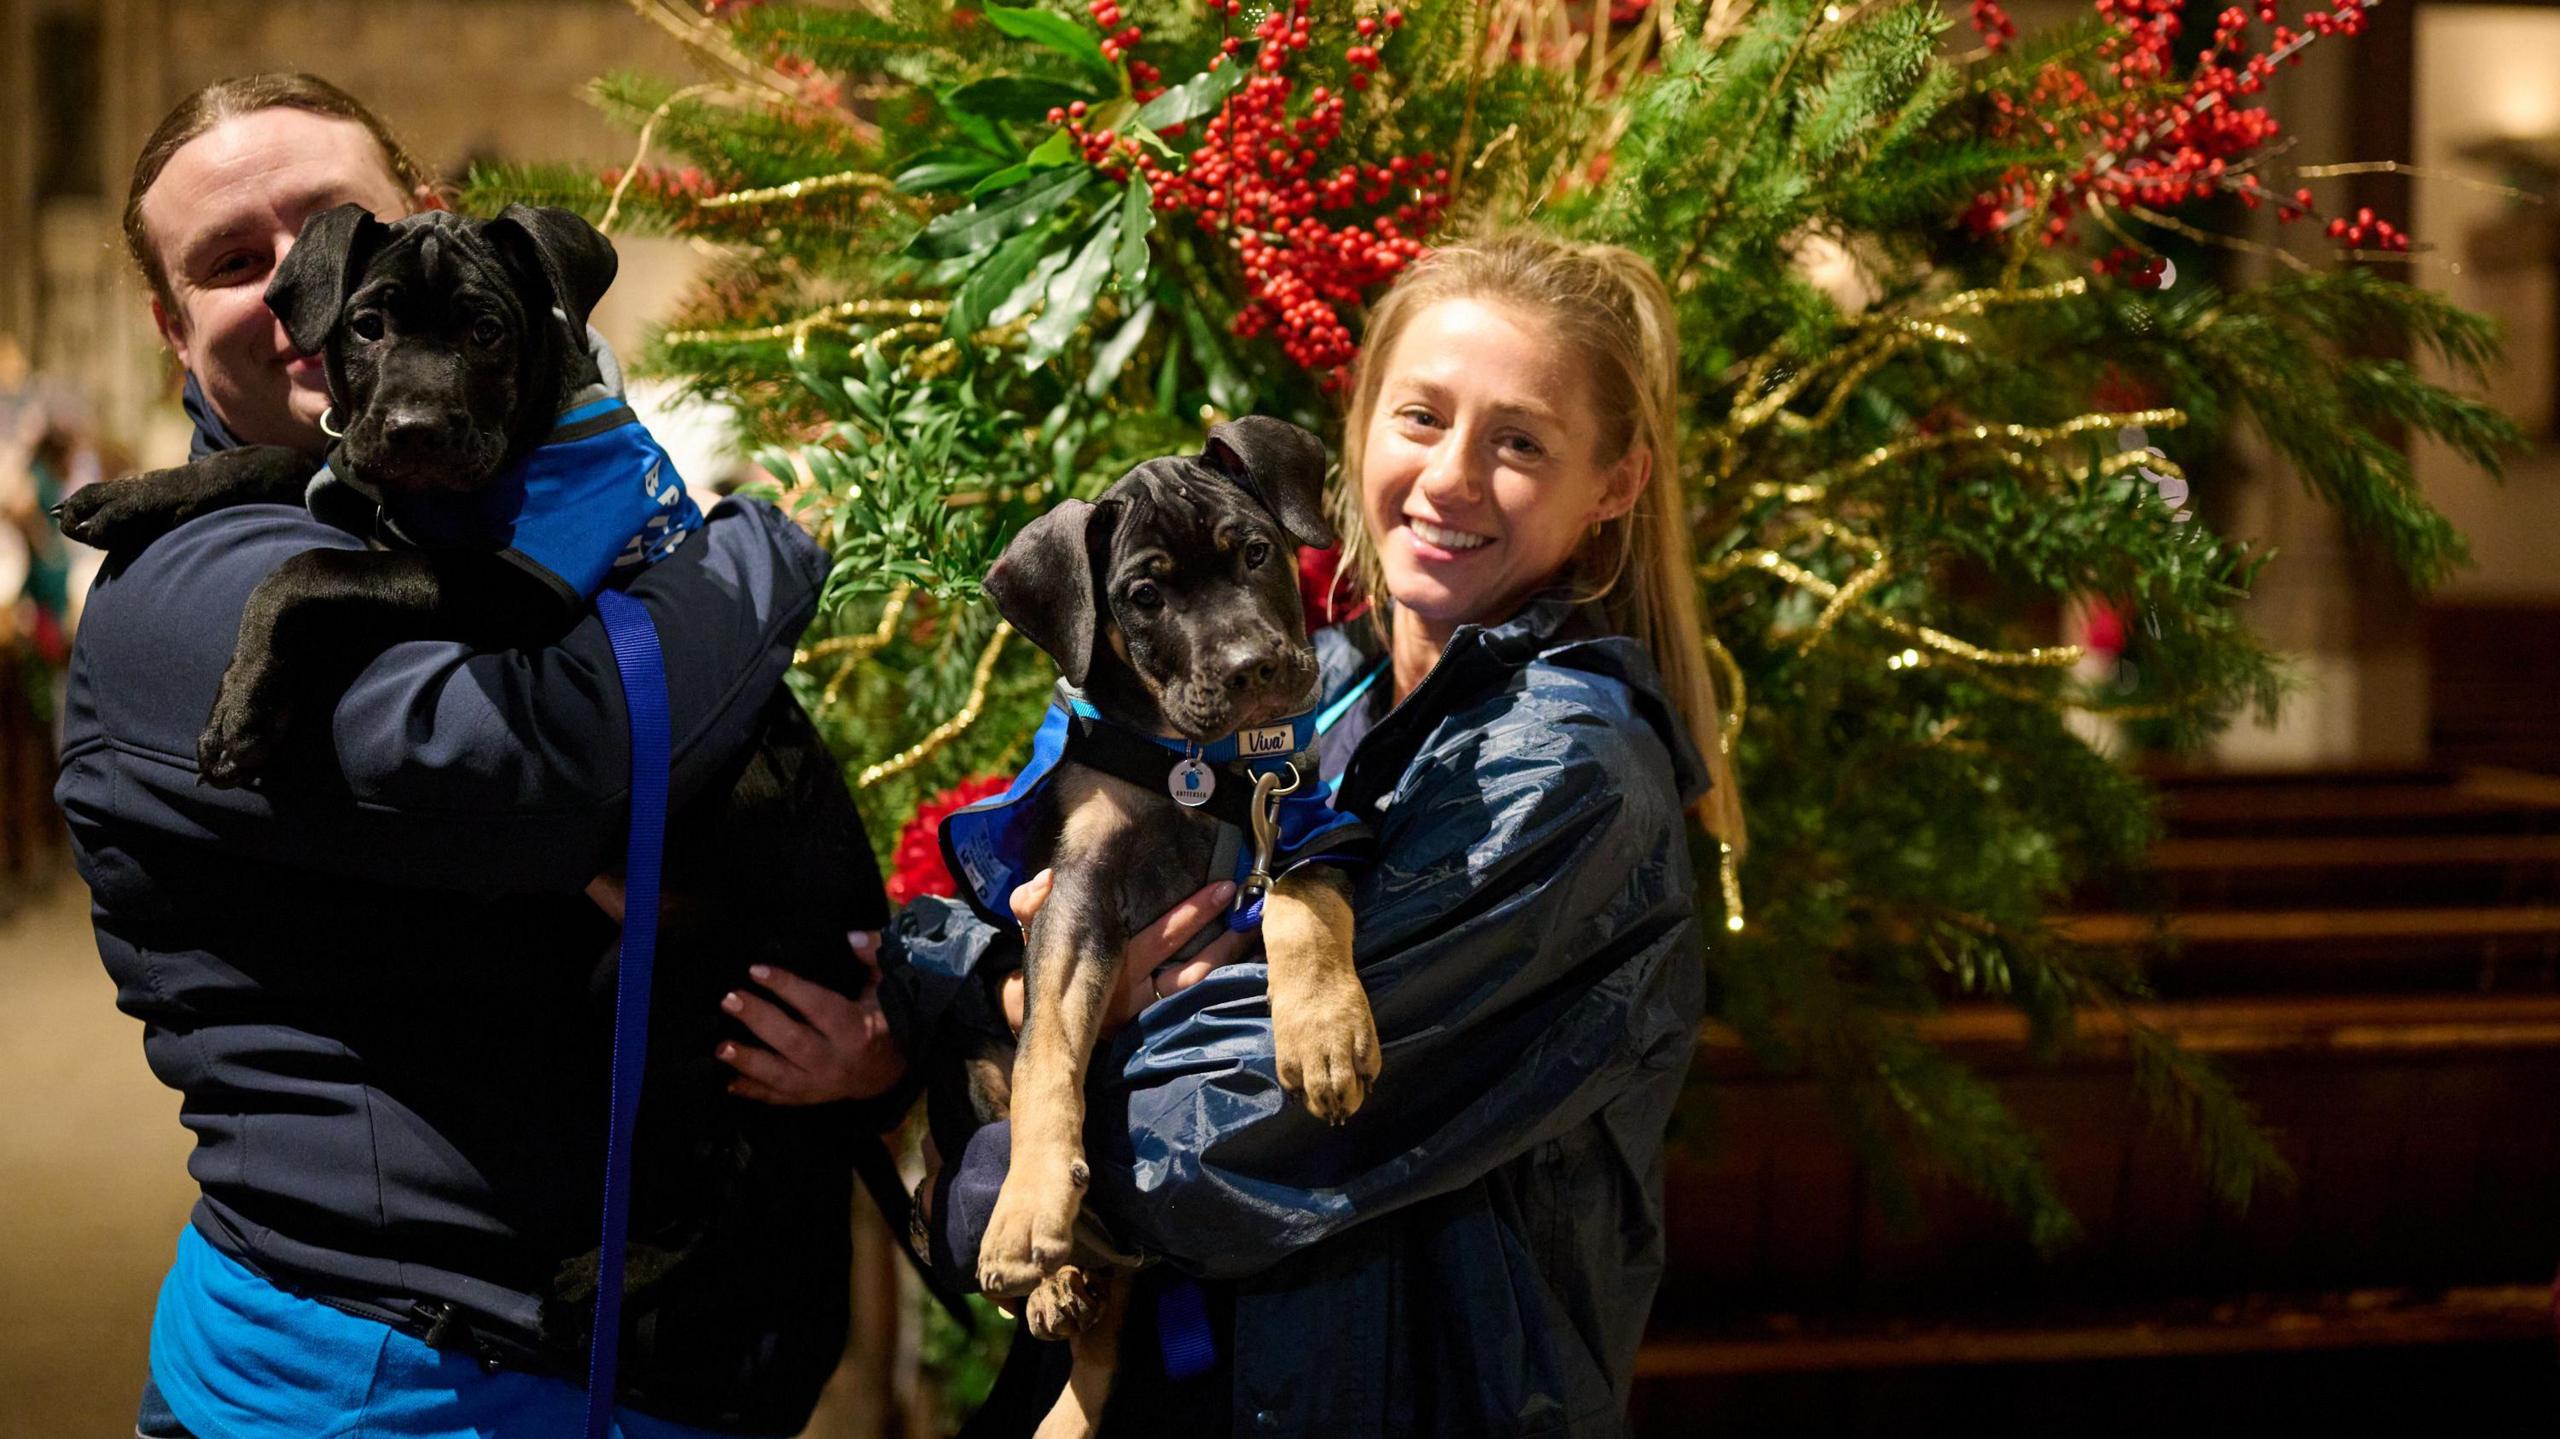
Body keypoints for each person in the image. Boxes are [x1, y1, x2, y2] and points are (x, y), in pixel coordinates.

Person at [65, 73, 902, 1439]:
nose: (295, 288)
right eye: (229, 263)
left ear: (422, 219)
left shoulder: (460, 489)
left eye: (328, 227)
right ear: (168, 325)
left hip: (638, 1362)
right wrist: (767, 552)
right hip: (402, 1378)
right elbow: (546, 763)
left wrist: (875, 1042)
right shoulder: (183, 594)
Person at [889, 228, 1742, 1437]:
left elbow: (1240, 1125)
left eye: (1519, 442)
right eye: (1420, 417)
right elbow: (1042, 917)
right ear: (1354, 440)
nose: (1449, 477)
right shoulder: (1315, 692)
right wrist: (938, 1006)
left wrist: (996, 1165)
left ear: (1613, 485)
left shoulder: (1564, 772)